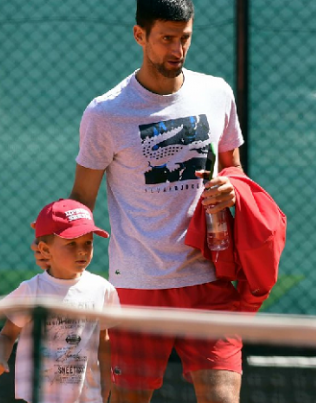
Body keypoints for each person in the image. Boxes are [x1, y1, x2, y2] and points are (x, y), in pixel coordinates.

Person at [33, 1, 246, 402]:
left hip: (210, 279)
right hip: (136, 285)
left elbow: (234, 167)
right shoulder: (105, 113)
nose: (177, 51)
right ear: (139, 36)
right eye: (166, 39)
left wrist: (233, 186)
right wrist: (58, 245)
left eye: (184, 38)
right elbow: (82, 198)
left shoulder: (217, 92)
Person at [0, 199, 120, 403]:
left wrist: (105, 386)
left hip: (88, 397)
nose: (82, 251)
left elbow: (104, 341)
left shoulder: (103, 289)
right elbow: (7, 334)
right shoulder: (32, 290)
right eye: (71, 244)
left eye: (88, 243)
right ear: (45, 250)